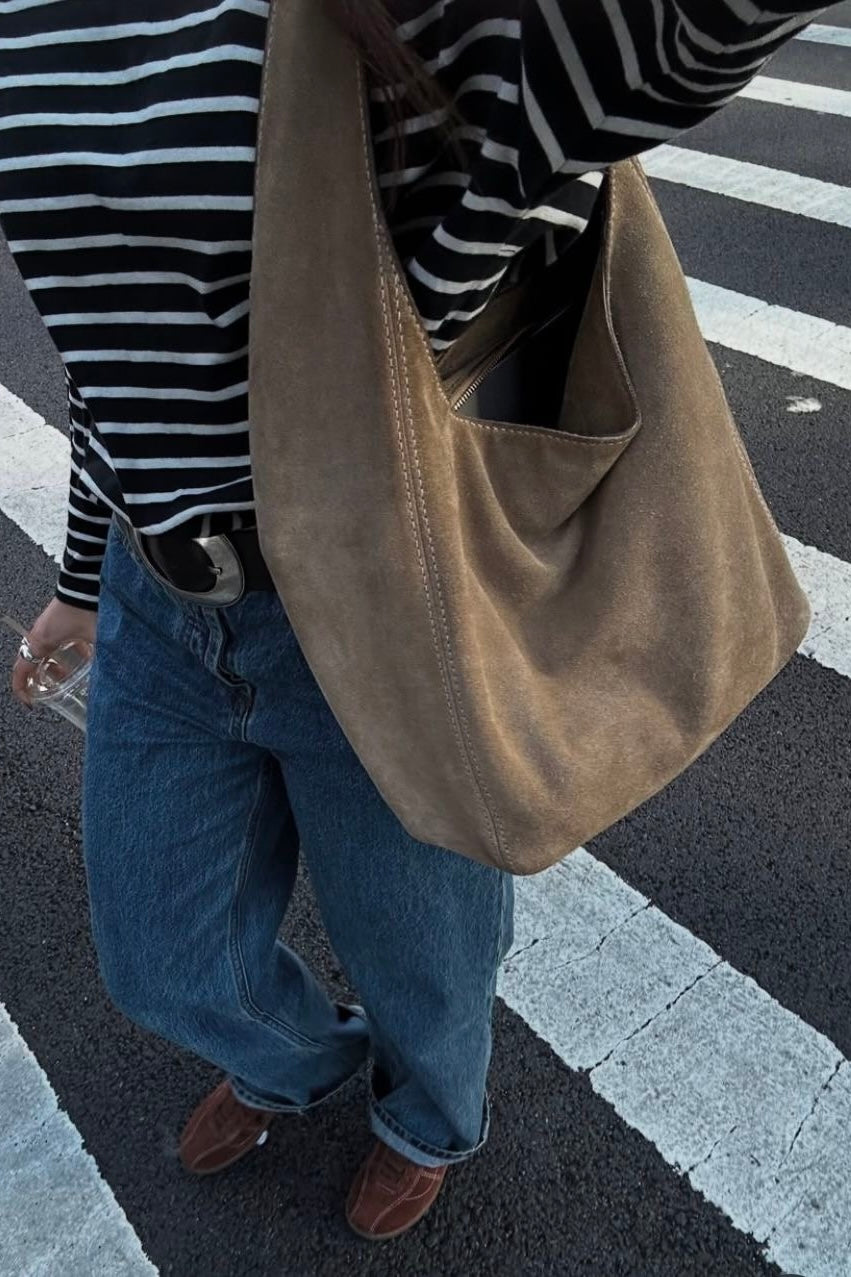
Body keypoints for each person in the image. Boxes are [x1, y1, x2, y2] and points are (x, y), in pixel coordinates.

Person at [5, 0, 834, 1243]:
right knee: (159, 958)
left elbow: (673, 37)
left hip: (382, 609)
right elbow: (116, 343)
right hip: (154, 596)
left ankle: (429, 1117)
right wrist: (82, 575)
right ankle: (293, 1064)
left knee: (423, 957)